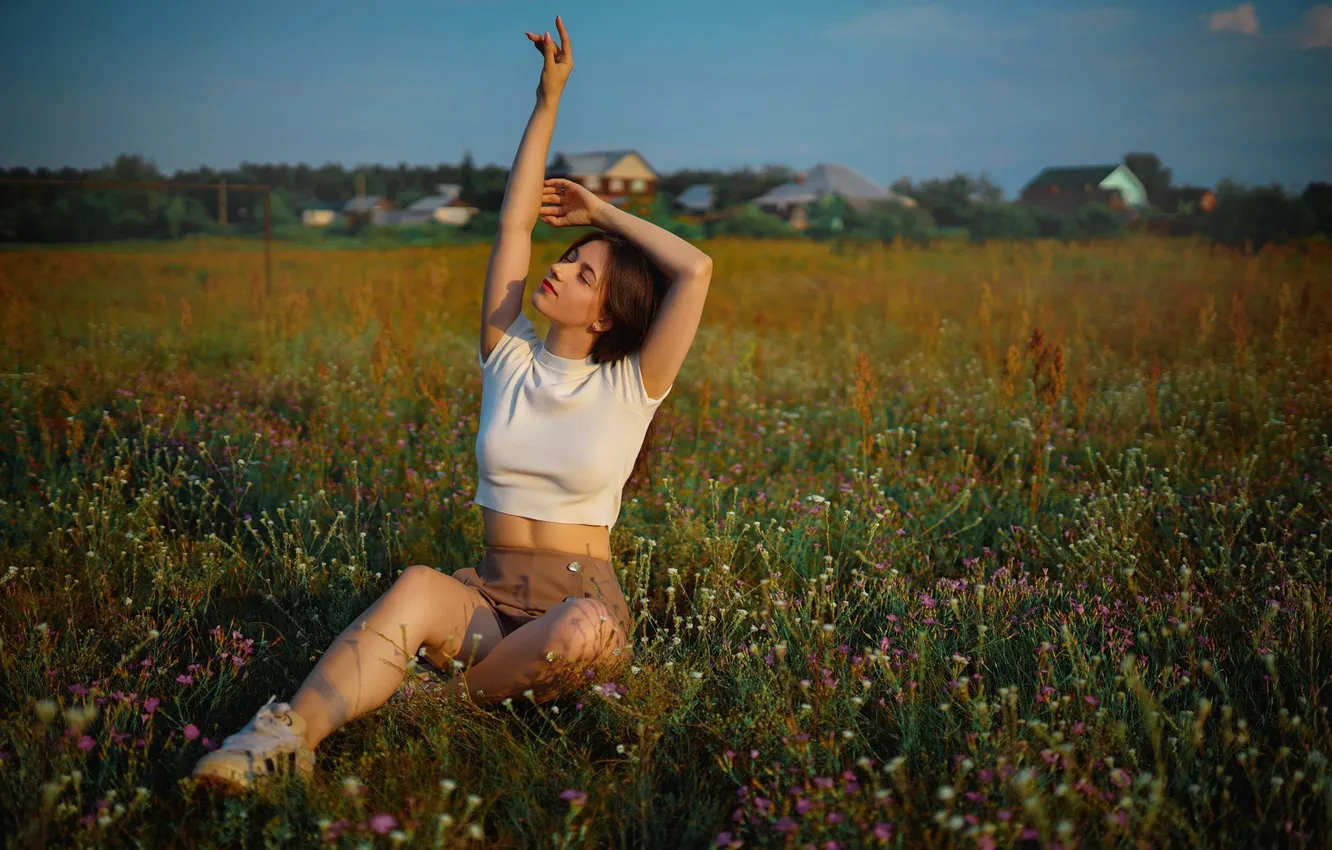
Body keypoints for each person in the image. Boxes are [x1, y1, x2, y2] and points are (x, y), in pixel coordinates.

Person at [191, 15, 713, 791]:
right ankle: (281, 740)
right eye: (567, 259)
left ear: (606, 316)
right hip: (488, 596)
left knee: (579, 632)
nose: (561, 271)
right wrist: (548, 101)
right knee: (414, 589)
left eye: (585, 274)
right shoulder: (507, 354)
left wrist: (602, 212)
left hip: (579, 606)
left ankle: (428, 713)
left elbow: (695, 270)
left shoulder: (631, 384)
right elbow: (513, 220)